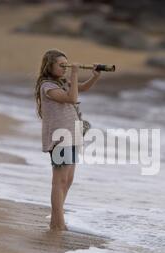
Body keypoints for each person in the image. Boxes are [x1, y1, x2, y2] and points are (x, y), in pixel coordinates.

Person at [34, 49, 101, 231]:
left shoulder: (62, 82)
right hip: (59, 138)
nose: (65, 68)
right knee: (59, 181)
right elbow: (72, 97)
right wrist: (75, 71)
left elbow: (81, 89)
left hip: (72, 136)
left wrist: (94, 76)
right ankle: (57, 223)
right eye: (61, 65)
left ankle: (57, 218)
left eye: (66, 64)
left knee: (68, 179)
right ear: (50, 66)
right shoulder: (47, 86)